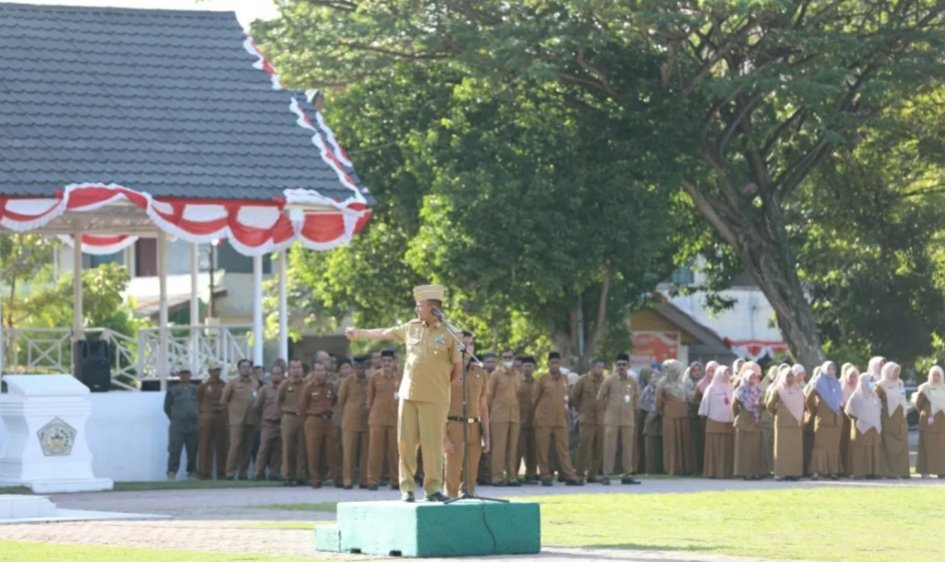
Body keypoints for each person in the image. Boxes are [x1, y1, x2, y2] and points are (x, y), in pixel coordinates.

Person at [345, 284, 460, 502]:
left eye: (420, 306)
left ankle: (433, 489)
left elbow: (457, 369)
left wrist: (439, 385)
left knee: (433, 445)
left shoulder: (451, 333)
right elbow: (385, 332)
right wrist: (359, 333)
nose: (417, 309)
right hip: (409, 395)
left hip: (435, 398)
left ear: (433, 308)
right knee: (406, 443)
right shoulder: (411, 327)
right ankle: (406, 488)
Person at [444, 333, 490, 498]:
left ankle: (469, 503)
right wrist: (444, 437)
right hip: (453, 425)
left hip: (474, 427)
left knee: (471, 476)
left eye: (471, 344)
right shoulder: (447, 370)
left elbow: (483, 406)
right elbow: (439, 405)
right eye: (464, 343)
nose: (468, 347)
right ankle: (449, 504)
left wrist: (487, 434)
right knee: (453, 474)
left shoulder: (480, 372)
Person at [533, 352, 583, 486]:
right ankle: (545, 475)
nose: (555, 365)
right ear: (548, 364)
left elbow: (567, 400)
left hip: (560, 419)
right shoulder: (542, 379)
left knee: (563, 449)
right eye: (552, 363)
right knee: (543, 449)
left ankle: (569, 475)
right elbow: (535, 400)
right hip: (543, 419)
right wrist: (536, 417)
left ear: (560, 364)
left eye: (557, 363)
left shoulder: (564, 379)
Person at [597, 353, 641, 485]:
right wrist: (607, 410)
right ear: (615, 366)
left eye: (624, 365)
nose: (621, 367)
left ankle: (627, 474)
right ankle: (606, 475)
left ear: (628, 366)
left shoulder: (632, 382)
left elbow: (637, 398)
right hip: (612, 419)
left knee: (628, 448)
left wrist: (633, 409)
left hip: (628, 419)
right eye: (619, 365)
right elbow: (600, 398)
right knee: (609, 447)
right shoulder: (609, 381)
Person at [366, 349, 401, 490]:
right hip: (377, 420)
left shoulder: (400, 377)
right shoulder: (374, 377)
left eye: (389, 361)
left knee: (395, 452)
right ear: (380, 362)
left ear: (394, 362)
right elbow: (370, 398)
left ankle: (396, 480)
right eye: (384, 361)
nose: (387, 363)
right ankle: (373, 480)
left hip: (394, 419)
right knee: (375, 452)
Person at [301, 362, 339, 488]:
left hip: (328, 420)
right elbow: (303, 405)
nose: (320, 373)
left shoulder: (331, 386)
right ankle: (315, 479)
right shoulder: (309, 387)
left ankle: (336, 478)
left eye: (322, 370)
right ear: (313, 372)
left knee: (332, 450)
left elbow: (335, 400)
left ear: (326, 372)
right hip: (313, 419)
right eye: (317, 370)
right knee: (313, 451)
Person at [221, 359, 260, 480]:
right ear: (239, 369)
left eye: (248, 367)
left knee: (247, 448)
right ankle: (230, 473)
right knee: (235, 446)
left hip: (251, 419)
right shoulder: (232, 383)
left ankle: (243, 473)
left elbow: (257, 400)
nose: (246, 369)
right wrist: (229, 417)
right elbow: (223, 401)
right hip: (236, 420)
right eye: (243, 367)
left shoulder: (255, 383)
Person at [487, 351, 521, 486]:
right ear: (501, 360)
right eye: (505, 358)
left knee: (513, 449)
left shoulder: (518, 375)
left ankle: (512, 477)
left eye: (510, 358)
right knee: (499, 449)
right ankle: (497, 477)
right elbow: (489, 396)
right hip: (499, 416)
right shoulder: (495, 375)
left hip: (514, 416)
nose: (508, 360)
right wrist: (488, 415)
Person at [804, 360, 842, 480]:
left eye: (833, 369)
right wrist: (815, 411)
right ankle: (816, 471)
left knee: (833, 447)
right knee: (819, 446)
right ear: (824, 370)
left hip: (836, 421)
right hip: (823, 420)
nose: (831, 371)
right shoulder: (818, 383)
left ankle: (833, 471)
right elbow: (809, 400)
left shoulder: (837, 383)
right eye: (829, 369)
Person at [570, 358, 606, 483]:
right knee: (584, 447)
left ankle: (593, 474)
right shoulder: (583, 380)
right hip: (587, 419)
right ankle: (579, 473)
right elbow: (573, 397)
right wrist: (582, 410)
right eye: (598, 367)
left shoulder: (605, 382)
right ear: (592, 367)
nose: (600, 370)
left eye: (602, 367)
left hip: (601, 420)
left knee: (598, 448)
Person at [765, 366, 804, 481]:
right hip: (782, 424)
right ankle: (781, 472)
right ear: (782, 377)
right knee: (782, 450)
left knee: (794, 449)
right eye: (788, 376)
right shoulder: (778, 389)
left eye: (792, 376)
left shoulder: (798, 390)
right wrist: (777, 413)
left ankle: (794, 473)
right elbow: (769, 405)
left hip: (795, 424)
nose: (790, 378)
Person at [657, 359, 694, 475]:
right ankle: (672, 468)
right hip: (669, 414)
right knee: (671, 441)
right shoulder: (662, 383)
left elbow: (685, 398)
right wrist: (664, 410)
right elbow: (658, 401)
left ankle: (684, 468)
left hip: (682, 413)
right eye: (676, 369)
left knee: (682, 441)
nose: (678, 372)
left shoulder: (681, 382)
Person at [338, 356, 371, 489]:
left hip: (367, 422)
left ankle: (365, 480)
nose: (359, 371)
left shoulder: (371, 380)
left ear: (366, 368)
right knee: (349, 453)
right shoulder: (347, 382)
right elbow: (341, 400)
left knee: (366, 453)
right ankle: (348, 479)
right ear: (353, 368)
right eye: (357, 368)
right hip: (350, 422)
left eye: (362, 368)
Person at [844, 370, 883, 479]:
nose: (871, 383)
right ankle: (860, 472)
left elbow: (879, 410)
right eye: (869, 381)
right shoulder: (856, 396)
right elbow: (849, 412)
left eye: (872, 381)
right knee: (861, 450)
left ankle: (874, 472)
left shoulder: (875, 396)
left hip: (874, 428)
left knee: (873, 449)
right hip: (861, 429)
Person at [699, 365, 735, 479]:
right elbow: (705, 405)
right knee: (715, 447)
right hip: (715, 422)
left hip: (728, 422)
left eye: (728, 373)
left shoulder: (731, 388)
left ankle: (727, 472)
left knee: (727, 448)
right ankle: (713, 472)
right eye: (725, 373)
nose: (727, 375)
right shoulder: (711, 388)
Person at [875, 361, 909, 478]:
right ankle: (889, 472)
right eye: (894, 370)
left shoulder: (900, 383)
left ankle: (902, 471)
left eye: (898, 370)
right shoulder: (880, 385)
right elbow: (876, 400)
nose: (897, 373)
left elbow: (903, 398)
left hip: (900, 419)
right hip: (888, 419)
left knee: (902, 444)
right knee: (888, 446)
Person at [164, 368, 198, 481]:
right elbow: (166, 407)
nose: (185, 377)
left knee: (193, 451)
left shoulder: (195, 389)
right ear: (179, 376)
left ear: (190, 376)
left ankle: (192, 473)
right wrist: (174, 418)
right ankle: (171, 472)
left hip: (193, 425)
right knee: (174, 450)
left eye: (187, 374)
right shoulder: (173, 390)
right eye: (182, 374)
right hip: (177, 426)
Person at [278, 359, 308, 486]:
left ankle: (301, 475)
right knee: (288, 447)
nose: (296, 370)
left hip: (303, 417)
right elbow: (279, 401)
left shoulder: (307, 384)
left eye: (299, 367)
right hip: (289, 417)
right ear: (289, 370)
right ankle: (287, 475)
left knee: (302, 447)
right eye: (294, 368)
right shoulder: (284, 384)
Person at [732, 362, 765, 480]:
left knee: (755, 449)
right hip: (744, 422)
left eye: (754, 377)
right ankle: (746, 472)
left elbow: (762, 406)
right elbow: (734, 406)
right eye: (750, 377)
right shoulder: (740, 391)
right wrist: (738, 417)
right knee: (745, 449)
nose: (752, 379)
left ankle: (756, 472)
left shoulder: (758, 391)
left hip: (756, 423)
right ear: (745, 378)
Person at [253, 363, 284, 481]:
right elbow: (257, 406)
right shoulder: (265, 389)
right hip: (268, 423)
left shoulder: (285, 388)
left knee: (278, 450)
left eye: (279, 374)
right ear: (270, 375)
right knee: (263, 449)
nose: (276, 376)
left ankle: (275, 473)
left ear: (282, 375)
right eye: (274, 374)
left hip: (281, 423)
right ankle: (258, 472)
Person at [196, 364, 227, 480]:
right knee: (205, 445)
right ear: (209, 371)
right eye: (214, 370)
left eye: (218, 370)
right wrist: (201, 415)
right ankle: (204, 474)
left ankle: (222, 473)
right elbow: (198, 401)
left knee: (222, 446)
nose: (216, 373)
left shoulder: (224, 385)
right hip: (206, 416)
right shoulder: (203, 386)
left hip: (221, 416)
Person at [914, 366, 945, 478]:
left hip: (942, 425)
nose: (936, 377)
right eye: (934, 374)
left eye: (938, 374)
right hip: (929, 423)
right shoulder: (925, 388)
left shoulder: (943, 388)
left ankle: (941, 471)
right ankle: (925, 471)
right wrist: (926, 413)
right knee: (927, 447)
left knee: (941, 449)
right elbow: (918, 404)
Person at [517, 356, 539, 483]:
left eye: (530, 366)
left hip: (534, 421)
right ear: (521, 368)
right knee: (518, 449)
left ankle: (531, 474)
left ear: (534, 368)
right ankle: (513, 474)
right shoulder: (517, 382)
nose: (527, 368)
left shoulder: (537, 383)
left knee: (533, 450)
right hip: (520, 420)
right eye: (525, 366)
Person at [639, 367, 662, 474]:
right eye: (652, 377)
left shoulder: (662, 390)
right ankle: (650, 470)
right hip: (650, 420)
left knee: (659, 447)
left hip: (661, 420)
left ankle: (660, 469)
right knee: (650, 448)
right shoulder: (647, 390)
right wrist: (654, 410)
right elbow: (642, 405)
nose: (655, 379)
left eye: (657, 377)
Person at [685, 361, 707, 474]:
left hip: (703, 416)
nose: (697, 373)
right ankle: (693, 468)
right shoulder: (688, 383)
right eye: (695, 370)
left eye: (699, 370)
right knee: (693, 443)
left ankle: (703, 467)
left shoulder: (705, 382)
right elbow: (691, 398)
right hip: (692, 415)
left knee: (703, 443)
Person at [838, 363, 858, 477]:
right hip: (845, 420)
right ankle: (844, 469)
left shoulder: (860, 389)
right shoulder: (842, 388)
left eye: (855, 376)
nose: (853, 379)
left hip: (856, 421)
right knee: (844, 444)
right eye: (851, 376)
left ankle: (854, 469)